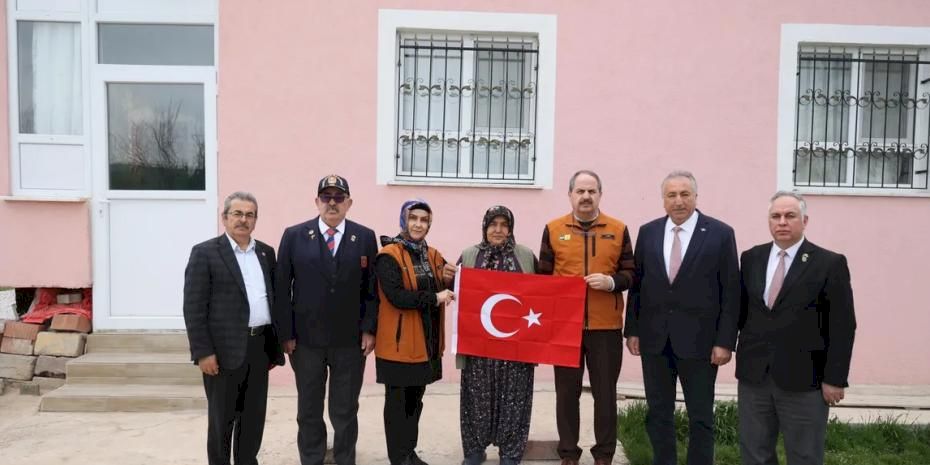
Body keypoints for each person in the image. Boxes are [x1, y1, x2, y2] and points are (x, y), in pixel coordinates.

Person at [623, 170, 740, 465]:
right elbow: (638, 285)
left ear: (696, 197)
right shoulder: (648, 232)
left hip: (701, 343)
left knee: (701, 416)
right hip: (655, 340)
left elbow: (731, 292)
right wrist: (632, 330)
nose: (678, 201)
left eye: (685, 194)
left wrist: (725, 341)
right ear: (663, 200)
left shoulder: (720, 233)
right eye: (672, 195)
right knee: (658, 412)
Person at [736, 191, 856, 465]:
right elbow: (740, 312)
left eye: (790, 216)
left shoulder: (829, 263)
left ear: (805, 220)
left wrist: (835, 378)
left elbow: (843, 325)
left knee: (804, 455)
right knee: (754, 454)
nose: (782, 222)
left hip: (805, 379)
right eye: (775, 216)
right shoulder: (751, 258)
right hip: (755, 376)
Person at [273, 175, 379, 465]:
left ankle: (345, 458)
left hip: (350, 341)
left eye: (338, 197)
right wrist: (286, 334)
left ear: (349, 203)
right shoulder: (294, 235)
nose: (332, 203)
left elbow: (371, 289)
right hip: (306, 341)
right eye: (326, 197)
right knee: (309, 407)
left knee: (344, 409)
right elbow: (282, 288)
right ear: (316, 201)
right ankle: (312, 458)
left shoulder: (365, 236)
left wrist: (369, 329)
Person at [538, 170, 635, 465]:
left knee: (605, 394)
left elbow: (631, 273)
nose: (586, 197)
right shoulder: (554, 229)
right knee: (566, 394)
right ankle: (568, 452)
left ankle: (604, 454)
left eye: (591, 191)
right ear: (570, 195)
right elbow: (542, 277)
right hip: (565, 327)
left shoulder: (618, 229)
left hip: (605, 326)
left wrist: (612, 283)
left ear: (600, 195)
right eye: (580, 191)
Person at [183, 191, 285, 465]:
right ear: (225, 217)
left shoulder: (266, 252)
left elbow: (273, 298)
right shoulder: (205, 253)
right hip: (222, 352)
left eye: (249, 215)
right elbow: (193, 308)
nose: (243, 220)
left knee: (253, 417)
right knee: (221, 419)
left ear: (255, 220)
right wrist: (203, 352)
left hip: (258, 347)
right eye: (237, 214)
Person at [374, 199, 456, 465]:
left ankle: (409, 452)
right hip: (398, 346)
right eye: (414, 218)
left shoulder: (432, 254)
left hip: (426, 344)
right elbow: (397, 296)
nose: (419, 224)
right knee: (398, 405)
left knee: (415, 403)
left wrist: (449, 278)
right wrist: (435, 297)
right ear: (403, 220)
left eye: (424, 220)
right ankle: (398, 458)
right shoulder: (388, 254)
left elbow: (448, 283)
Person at [457, 205, 539, 465]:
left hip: (516, 349)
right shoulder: (470, 255)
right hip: (479, 349)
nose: (498, 230)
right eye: (493, 224)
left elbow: (542, 294)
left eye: (504, 225)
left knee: (515, 402)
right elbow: (458, 294)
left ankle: (511, 453)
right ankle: (474, 451)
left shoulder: (525, 256)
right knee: (475, 401)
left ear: (511, 228)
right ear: (485, 227)